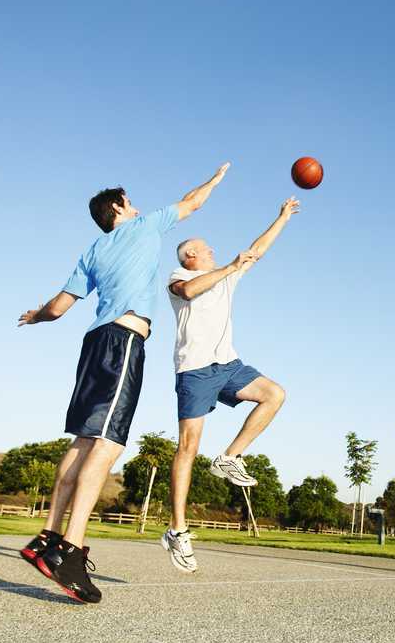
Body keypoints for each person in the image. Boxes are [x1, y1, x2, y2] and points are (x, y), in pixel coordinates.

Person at [16, 162, 230, 602]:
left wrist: (34, 315)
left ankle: (47, 539)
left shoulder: (93, 250)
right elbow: (191, 202)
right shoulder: (144, 228)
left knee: (82, 440)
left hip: (94, 342)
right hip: (124, 341)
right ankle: (70, 552)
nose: (136, 207)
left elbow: (57, 308)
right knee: (108, 444)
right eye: (130, 202)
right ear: (118, 207)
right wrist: (215, 179)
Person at [161, 197, 299, 572]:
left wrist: (281, 217)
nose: (213, 251)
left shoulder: (225, 274)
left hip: (228, 365)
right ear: (191, 254)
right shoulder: (179, 276)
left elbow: (256, 251)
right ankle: (177, 530)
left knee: (274, 394)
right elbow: (189, 293)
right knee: (187, 447)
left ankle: (230, 456)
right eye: (207, 249)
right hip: (194, 371)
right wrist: (229, 267)